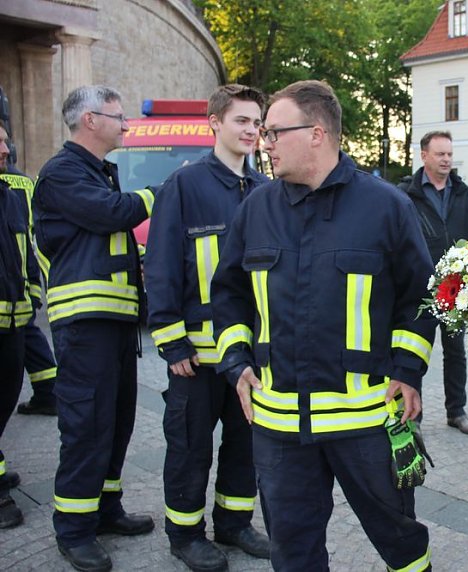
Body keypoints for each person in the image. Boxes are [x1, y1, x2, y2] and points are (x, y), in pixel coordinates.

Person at [211, 80, 435, 571]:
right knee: (292, 551)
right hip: (278, 426)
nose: (263, 143)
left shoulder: (386, 206)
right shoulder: (257, 209)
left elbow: (420, 296)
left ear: (316, 133)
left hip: (366, 421)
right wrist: (236, 362)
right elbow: (227, 293)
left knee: (401, 541)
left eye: (273, 132)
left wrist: (408, 371)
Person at [145, 84, 270, 571]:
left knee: (245, 444)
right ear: (214, 123)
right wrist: (171, 339)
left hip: (249, 356)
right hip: (195, 356)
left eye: (257, 122)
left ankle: (234, 524)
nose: (251, 130)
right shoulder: (185, 185)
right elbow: (161, 267)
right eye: (241, 120)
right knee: (191, 446)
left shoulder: (263, 190)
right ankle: (185, 534)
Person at [33, 85, 155, 572]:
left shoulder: (97, 172)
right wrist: (161, 193)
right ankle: (74, 529)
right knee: (86, 426)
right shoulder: (63, 172)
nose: (125, 124)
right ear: (89, 120)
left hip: (115, 323)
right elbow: (112, 214)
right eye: (117, 116)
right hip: (86, 326)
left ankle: (105, 511)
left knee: (118, 421)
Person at [399, 131, 468, 436]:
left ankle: (456, 411)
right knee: (414, 353)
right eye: (440, 154)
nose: (447, 159)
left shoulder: (464, 193)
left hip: (455, 293)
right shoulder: (405, 195)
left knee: (456, 353)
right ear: (424, 156)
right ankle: (414, 417)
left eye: (449, 154)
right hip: (417, 292)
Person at [0, 164, 58, 416]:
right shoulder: (24, 180)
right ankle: (48, 390)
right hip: (18, 288)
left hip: (14, 292)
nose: (5, 149)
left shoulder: (8, 193)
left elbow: (20, 240)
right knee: (31, 337)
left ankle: (48, 391)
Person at [0, 118, 34, 529]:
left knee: (5, 404)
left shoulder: (10, 194)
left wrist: (33, 297)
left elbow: (25, 252)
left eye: (6, 142)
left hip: (13, 323)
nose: (6, 151)